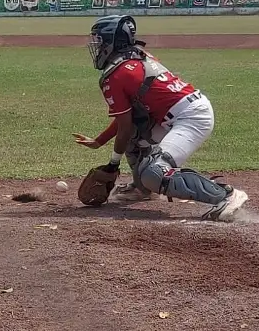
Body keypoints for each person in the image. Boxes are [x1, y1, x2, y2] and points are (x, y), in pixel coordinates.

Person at [73, 14, 248, 221]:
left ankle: (226, 195)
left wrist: (113, 164)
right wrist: (100, 140)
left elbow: (125, 126)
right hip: (180, 112)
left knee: (154, 173)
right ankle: (142, 188)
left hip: (191, 118)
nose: (97, 46)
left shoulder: (115, 75)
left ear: (112, 42)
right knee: (136, 139)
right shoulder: (138, 57)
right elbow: (128, 120)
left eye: (99, 40)